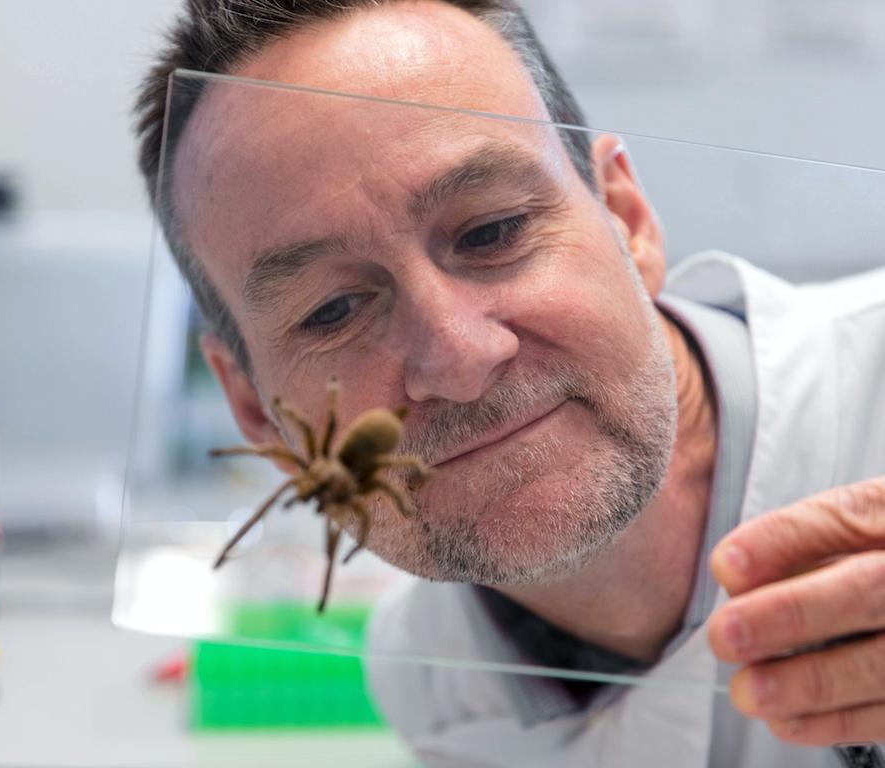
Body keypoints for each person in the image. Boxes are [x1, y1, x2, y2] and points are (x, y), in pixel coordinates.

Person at [133, 1, 885, 765]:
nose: (459, 359)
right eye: (333, 311)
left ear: (626, 220)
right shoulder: (430, 678)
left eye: (492, 232)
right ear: (254, 411)